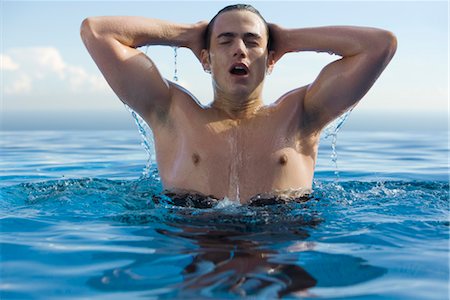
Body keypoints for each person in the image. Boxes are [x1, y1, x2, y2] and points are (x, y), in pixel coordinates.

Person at [80, 4, 397, 204]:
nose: (240, 50)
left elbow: (380, 45)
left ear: (270, 59)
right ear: (206, 58)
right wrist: (188, 34)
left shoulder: (302, 114)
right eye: (225, 40)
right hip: (195, 241)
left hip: (280, 244)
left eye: (253, 41)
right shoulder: (172, 112)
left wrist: (288, 38)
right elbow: (96, 31)